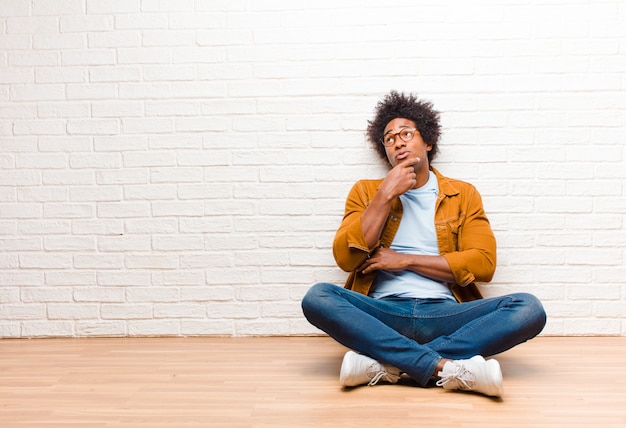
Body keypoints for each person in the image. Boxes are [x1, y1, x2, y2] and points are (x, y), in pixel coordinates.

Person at [301, 91, 546, 398]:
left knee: (528, 309)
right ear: (385, 151)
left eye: (406, 133)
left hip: (443, 316)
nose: (398, 142)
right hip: (382, 314)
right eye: (389, 139)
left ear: (428, 141)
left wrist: (403, 260)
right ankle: (447, 367)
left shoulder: (463, 194)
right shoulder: (366, 192)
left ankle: (387, 363)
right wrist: (384, 196)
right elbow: (345, 258)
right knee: (317, 297)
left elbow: (483, 263)